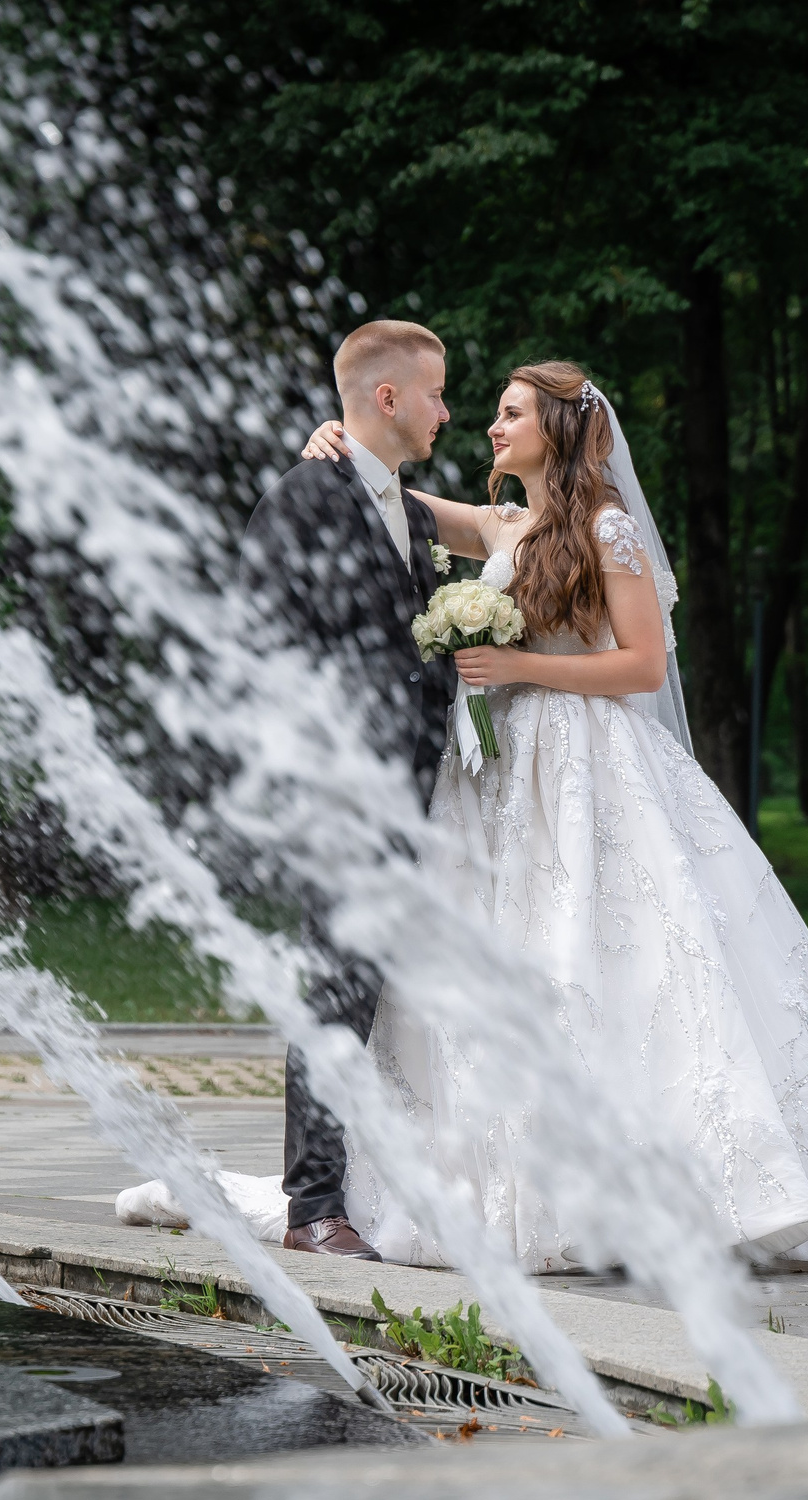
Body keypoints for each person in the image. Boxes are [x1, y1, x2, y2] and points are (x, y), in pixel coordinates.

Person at [295, 363, 808, 1271]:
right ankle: (521, 1180)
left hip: (589, 767)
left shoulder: (608, 529)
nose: (490, 427)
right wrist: (330, 448)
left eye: (510, 413)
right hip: (502, 786)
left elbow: (644, 667)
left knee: (609, 959)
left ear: (560, 429)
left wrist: (523, 668)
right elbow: (399, 497)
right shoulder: (503, 522)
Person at [239, 319, 455, 1261]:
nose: (449, 411)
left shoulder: (408, 512)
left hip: (412, 793)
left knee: (378, 996)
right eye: (439, 393)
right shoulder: (300, 499)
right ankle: (312, 1210)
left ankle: (376, 1185)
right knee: (334, 990)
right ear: (388, 397)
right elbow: (261, 649)